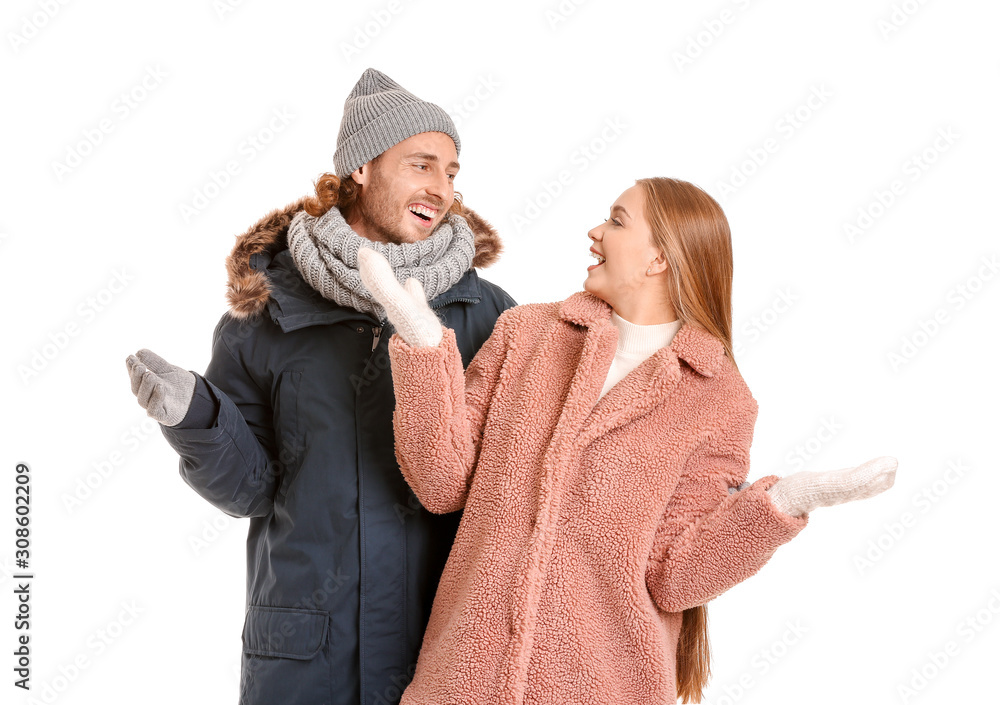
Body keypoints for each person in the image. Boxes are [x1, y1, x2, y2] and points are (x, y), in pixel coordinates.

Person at [357, 176, 897, 705]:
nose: (596, 231)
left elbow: (674, 577)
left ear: (658, 258)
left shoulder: (720, 399)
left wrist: (782, 503)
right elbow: (443, 482)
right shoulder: (527, 335)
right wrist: (423, 345)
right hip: (462, 683)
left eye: (617, 220)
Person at [124, 68, 517, 705]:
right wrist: (196, 416)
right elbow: (252, 488)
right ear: (360, 167)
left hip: (444, 654)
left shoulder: (485, 312)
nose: (442, 189)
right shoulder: (269, 310)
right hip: (308, 659)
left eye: (451, 172)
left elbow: (507, 485)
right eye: (422, 165)